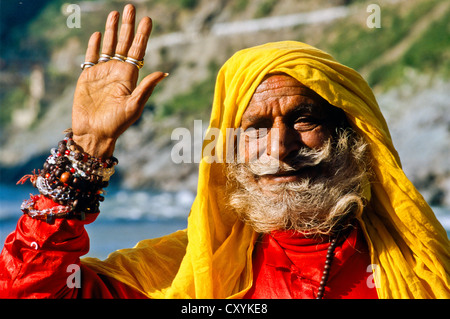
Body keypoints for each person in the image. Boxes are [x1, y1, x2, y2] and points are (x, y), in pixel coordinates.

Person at [0, 4, 449, 299]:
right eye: (255, 127)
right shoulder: (183, 273)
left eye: (304, 120)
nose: (280, 146)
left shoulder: (424, 270)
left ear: (350, 136)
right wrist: (89, 145)